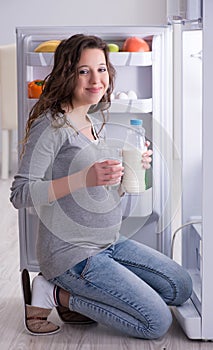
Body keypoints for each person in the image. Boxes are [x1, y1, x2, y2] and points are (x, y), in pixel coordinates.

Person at [10, 34, 192, 338]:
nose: (96, 79)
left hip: (109, 242)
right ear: (68, 75)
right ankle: (53, 293)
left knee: (180, 286)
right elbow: (21, 194)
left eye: (102, 69)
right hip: (70, 254)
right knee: (156, 322)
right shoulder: (52, 126)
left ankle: (91, 291)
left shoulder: (90, 118)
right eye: (84, 71)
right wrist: (84, 178)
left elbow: (94, 194)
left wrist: (122, 178)